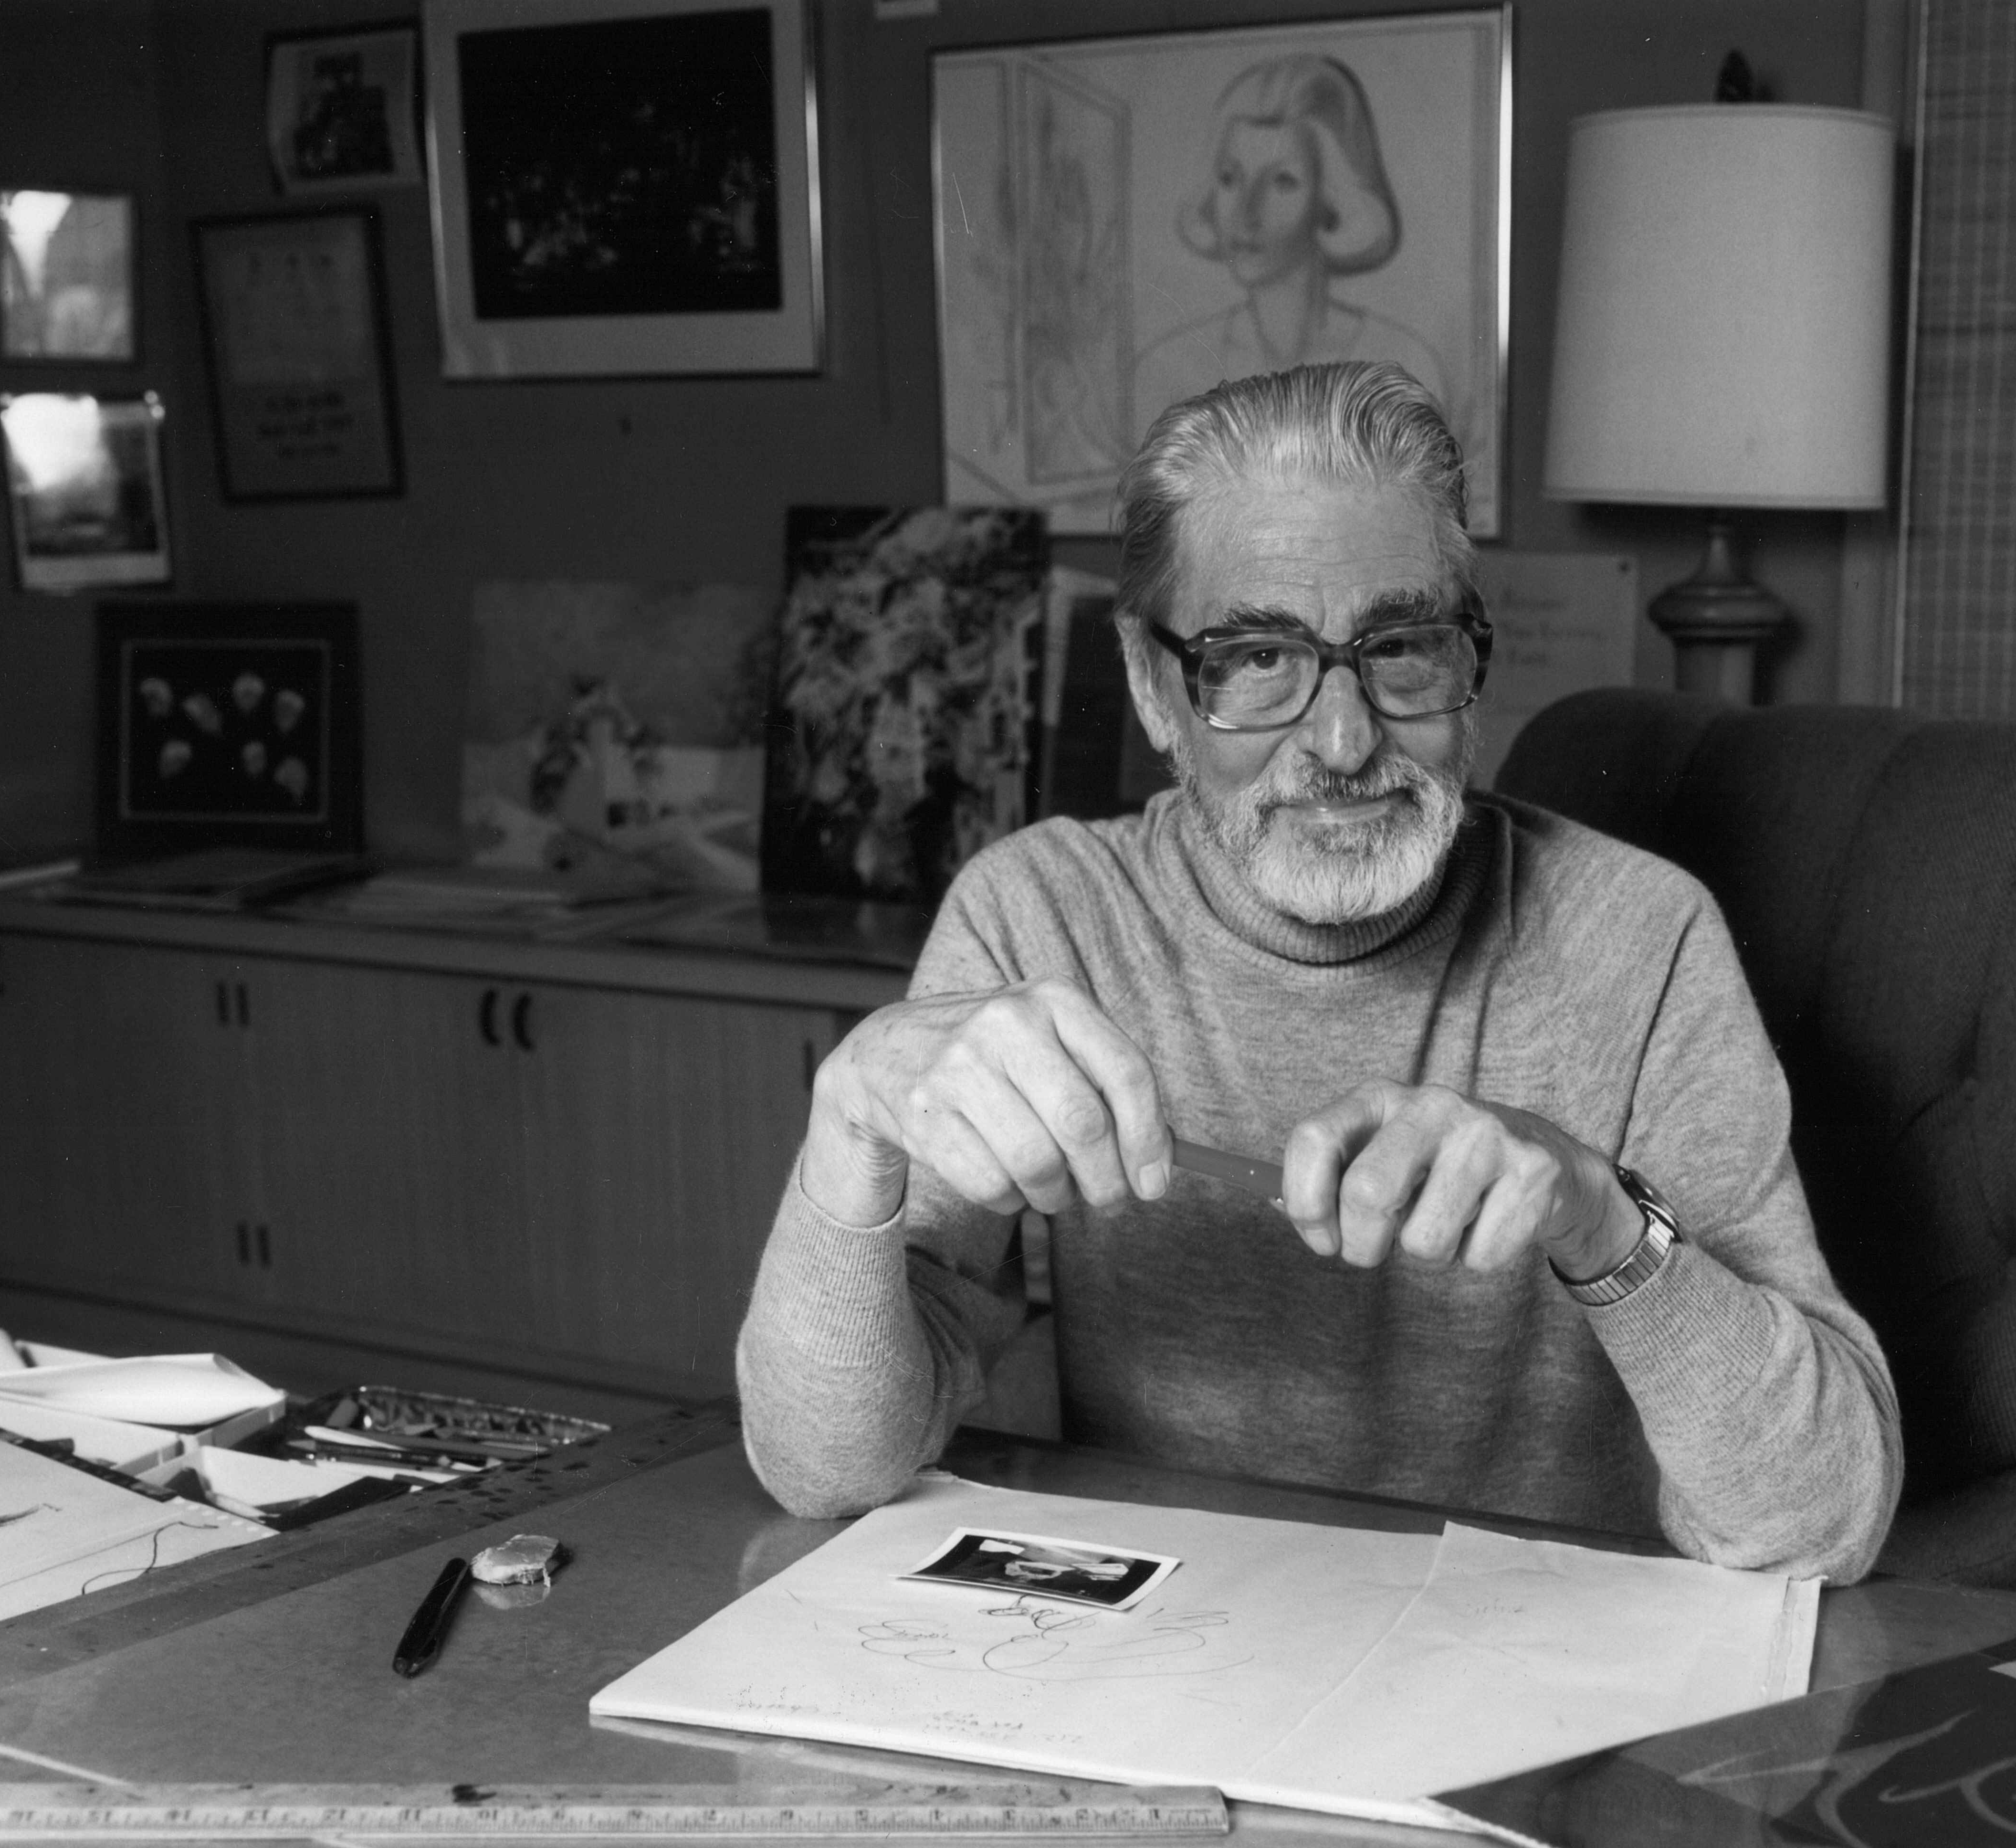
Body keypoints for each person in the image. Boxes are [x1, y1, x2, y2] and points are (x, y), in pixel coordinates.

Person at [738, 361, 1900, 1582]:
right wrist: (850, 1118)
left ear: (1470, 662)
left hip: (1524, 1686)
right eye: (1255, 660)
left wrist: (1593, 1212)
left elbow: (1819, 1526)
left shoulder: (1642, 938)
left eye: (1401, 649)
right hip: (1167, 1671)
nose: (1342, 743)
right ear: (1152, 685)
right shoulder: (1039, 917)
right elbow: (825, 1469)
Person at [1129, 57, 1451, 436]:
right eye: (1231, 178)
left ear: (1330, 200)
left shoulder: (1404, 364)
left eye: (1282, 181)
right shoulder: (1170, 369)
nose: (1247, 214)